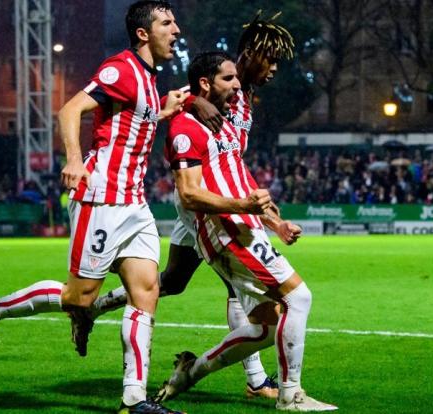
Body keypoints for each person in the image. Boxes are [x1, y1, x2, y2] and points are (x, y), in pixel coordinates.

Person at [0, 2, 186, 413]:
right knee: (80, 299)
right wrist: (75, 158)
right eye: (167, 23)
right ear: (142, 34)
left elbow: (130, 124)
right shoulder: (121, 68)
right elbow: (70, 109)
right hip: (101, 199)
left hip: (134, 201)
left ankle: (135, 399)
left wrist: (163, 112)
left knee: (147, 290)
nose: (176, 29)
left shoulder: (150, 80)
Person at [87, 12, 297, 399]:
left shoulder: (244, 98)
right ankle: (257, 381)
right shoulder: (214, 87)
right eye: (271, 59)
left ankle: (99, 305)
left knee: (173, 281)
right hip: (203, 203)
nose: (274, 68)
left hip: (215, 198)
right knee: (239, 286)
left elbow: (231, 155)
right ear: (251, 54)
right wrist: (195, 102)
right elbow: (176, 104)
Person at [154, 51, 337, 412]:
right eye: (229, 78)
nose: (238, 84)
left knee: (266, 327)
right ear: (206, 83)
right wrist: (244, 209)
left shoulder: (231, 117)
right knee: (298, 298)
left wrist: (275, 222)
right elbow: (189, 194)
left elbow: (240, 179)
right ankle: (291, 394)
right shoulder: (185, 126)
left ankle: (190, 372)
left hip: (246, 227)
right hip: (225, 233)